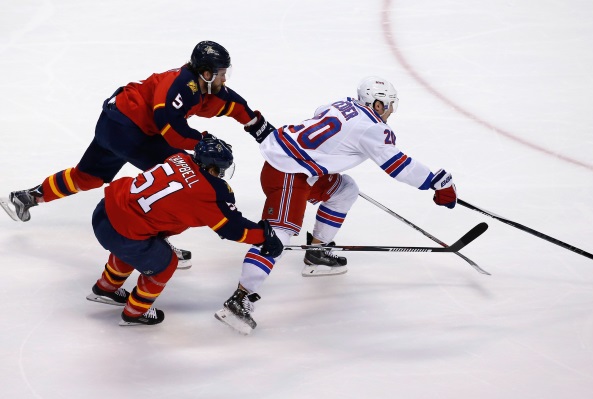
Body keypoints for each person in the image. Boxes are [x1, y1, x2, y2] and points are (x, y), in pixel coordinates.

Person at [214, 76, 458, 334]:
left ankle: (317, 252)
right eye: (388, 105)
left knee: (345, 189)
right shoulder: (372, 129)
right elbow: (397, 166)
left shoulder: (344, 104)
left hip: (298, 168)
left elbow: (320, 115)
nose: (390, 111)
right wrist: (435, 182)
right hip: (288, 174)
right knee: (278, 235)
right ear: (376, 104)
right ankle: (239, 298)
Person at [3, 40, 275, 269]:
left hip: (116, 121)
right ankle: (152, 243)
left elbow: (233, 104)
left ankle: (27, 198)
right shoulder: (180, 87)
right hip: (130, 131)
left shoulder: (199, 86)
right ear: (205, 73)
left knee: (87, 176)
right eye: (220, 73)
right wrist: (203, 141)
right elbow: (172, 132)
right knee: (181, 178)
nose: (224, 78)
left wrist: (262, 129)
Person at [86, 137, 283, 326]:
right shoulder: (208, 193)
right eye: (219, 170)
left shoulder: (178, 157)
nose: (221, 174)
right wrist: (264, 237)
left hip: (104, 212)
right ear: (211, 167)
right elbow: (233, 228)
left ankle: (106, 288)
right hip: (124, 234)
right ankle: (135, 312)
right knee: (165, 263)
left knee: (138, 246)